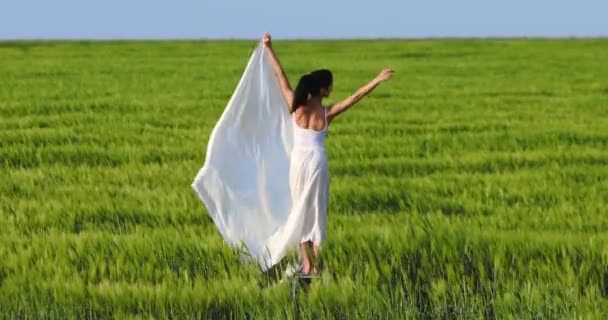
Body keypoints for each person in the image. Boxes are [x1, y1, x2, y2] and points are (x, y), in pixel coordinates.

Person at [262, 33, 394, 275]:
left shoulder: (296, 107)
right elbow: (357, 96)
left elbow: (281, 77)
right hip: (318, 163)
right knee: (317, 211)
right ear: (323, 89)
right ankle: (318, 265)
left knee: (299, 209)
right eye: (331, 84)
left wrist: (269, 48)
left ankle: (308, 263)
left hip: (299, 162)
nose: (333, 87)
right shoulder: (327, 113)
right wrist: (377, 79)